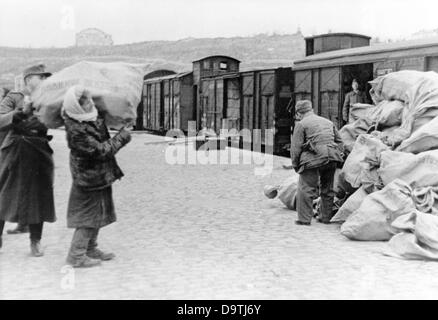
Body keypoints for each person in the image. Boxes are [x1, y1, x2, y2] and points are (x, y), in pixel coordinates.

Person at [62, 85, 131, 268]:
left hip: (99, 175)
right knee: (87, 217)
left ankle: (90, 248)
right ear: (77, 106)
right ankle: (76, 256)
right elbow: (100, 151)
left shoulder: (90, 117)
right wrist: (122, 137)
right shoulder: (77, 130)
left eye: (90, 98)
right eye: (86, 101)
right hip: (88, 178)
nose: (91, 102)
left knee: (98, 214)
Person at [0, 64, 56, 255]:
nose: (44, 81)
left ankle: (35, 242)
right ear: (28, 80)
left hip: (39, 150)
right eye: (41, 77)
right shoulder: (14, 97)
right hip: (15, 149)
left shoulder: (49, 98)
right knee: (4, 194)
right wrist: (20, 112)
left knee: (39, 196)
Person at [290, 100, 344, 225]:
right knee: (328, 189)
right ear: (311, 110)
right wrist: (338, 153)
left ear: (299, 114)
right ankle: (325, 218)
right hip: (331, 157)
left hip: (313, 159)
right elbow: (340, 142)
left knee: (306, 188)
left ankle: (304, 219)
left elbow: (296, 148)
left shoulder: (301, 124)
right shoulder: (328, 122)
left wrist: (295, 164)